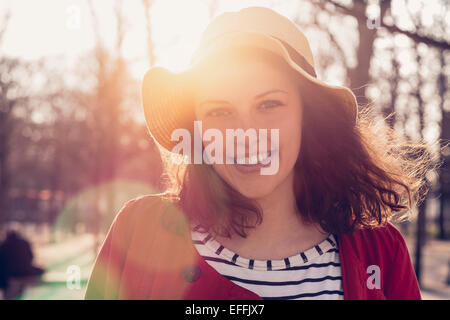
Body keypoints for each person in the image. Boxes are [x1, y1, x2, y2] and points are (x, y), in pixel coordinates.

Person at [85, 6, 438, 300]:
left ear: (307, 116)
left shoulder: (381, 252)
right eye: (219, 111)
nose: (245, 134)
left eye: (269, 104)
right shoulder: (141, 229)